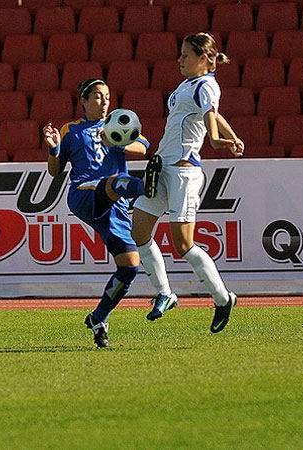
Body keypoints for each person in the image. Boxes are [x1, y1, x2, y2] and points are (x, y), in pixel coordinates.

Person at [131, 32, 245, 333]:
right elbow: (214, 115)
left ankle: (223, 299)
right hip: (162, 167)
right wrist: (232, 136)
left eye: (185, 55)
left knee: (183, 244)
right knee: (139, 230)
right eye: (180, 54)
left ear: (203, 58)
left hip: (183, 172)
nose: (179, 59)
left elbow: (211, 115)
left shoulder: (207, 84)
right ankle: (165, 293)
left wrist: (218, 140)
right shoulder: (188, 85)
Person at [43, 79, 151, 348]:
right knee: (112, 183)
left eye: (107, 97)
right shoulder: (72, 130)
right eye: (98, 97)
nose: (104, 102)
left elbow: (143, 147)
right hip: (84, 193)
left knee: (130, 266)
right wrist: (53, 149)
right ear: (84, 100)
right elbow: (55, 170)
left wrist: (118, 142)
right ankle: (147, 187)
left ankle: (98, 319)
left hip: (114, 205)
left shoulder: (117, 124)